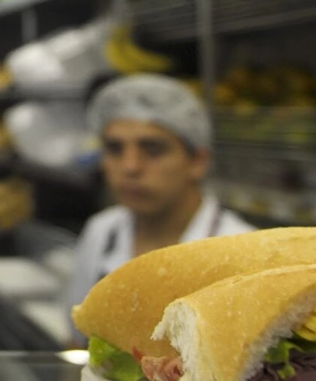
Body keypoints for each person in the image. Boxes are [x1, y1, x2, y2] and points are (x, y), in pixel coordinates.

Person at [60, 75, 256, 311]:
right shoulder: (102, 232)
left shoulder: (244, 255)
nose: (130, 166)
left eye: (153, 149)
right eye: (115, 149)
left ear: (198, 161)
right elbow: (77, 335)